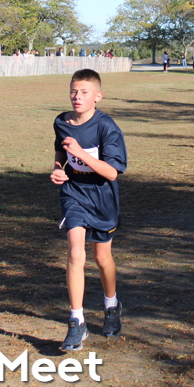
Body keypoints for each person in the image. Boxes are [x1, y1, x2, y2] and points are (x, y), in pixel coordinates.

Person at [49, 69, 127, 351]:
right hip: (74, 193)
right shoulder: (61, 121)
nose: (77, 97)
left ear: (98, 96)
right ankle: (77, 321)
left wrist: (81, 153)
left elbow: (112, 172)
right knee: (75, 252)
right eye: (73, 91)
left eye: (84, 92)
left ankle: (111, 305)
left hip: (103, 197)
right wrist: (58, 169)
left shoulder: (106, 126)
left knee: (102, 257)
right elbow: (61, 151)